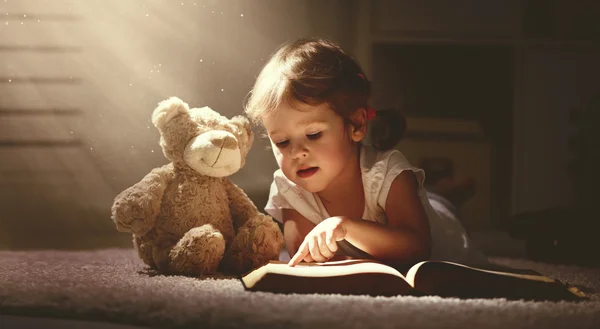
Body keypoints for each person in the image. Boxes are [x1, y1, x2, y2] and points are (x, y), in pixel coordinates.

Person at [244, 37, 486, 268]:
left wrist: (347, 227)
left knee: (441, 207)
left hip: (443, 225)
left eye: (314, 135)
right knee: (433, 197)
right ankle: (440, 191)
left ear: (357, 125)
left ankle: (448, 195)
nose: (297, 153)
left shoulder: (388, 172)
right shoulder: (290, 188)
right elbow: (304, 257)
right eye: (283, 142)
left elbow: (417, 246)